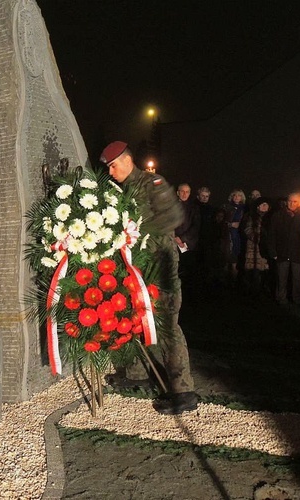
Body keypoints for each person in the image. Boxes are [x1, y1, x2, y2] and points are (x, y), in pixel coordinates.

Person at [100, 141, 199, 415]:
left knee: (167, 325)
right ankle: (135, 372)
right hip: (138, 269)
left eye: (113, 165)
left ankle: (183, 391)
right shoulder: (122, 189)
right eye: (108, 167)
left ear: (127, 160)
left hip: (160, 266)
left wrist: (138, 232)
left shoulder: (152, 183)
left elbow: (173, 216)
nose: (111, 171)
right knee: (133, 319)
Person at [268, 193, 300, 305]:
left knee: (297, 278)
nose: (292, 204)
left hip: (297, 253)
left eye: (295, 201)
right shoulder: (278, 215)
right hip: (282, 252)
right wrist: (273, 251)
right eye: (290, 201)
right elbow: (272, 234)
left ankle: (297, 298)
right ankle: (281, 298)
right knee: (281, 278)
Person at [174, 183, 200, 289]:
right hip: (173, 242)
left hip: (188, 244)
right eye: (182, 191)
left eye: (187, 192)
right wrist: (174, 237)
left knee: (187, 270)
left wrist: (182, 238)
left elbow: (196, 226)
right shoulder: (171, 207)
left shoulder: (194, 208)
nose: (184, 194)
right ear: (177, 192)